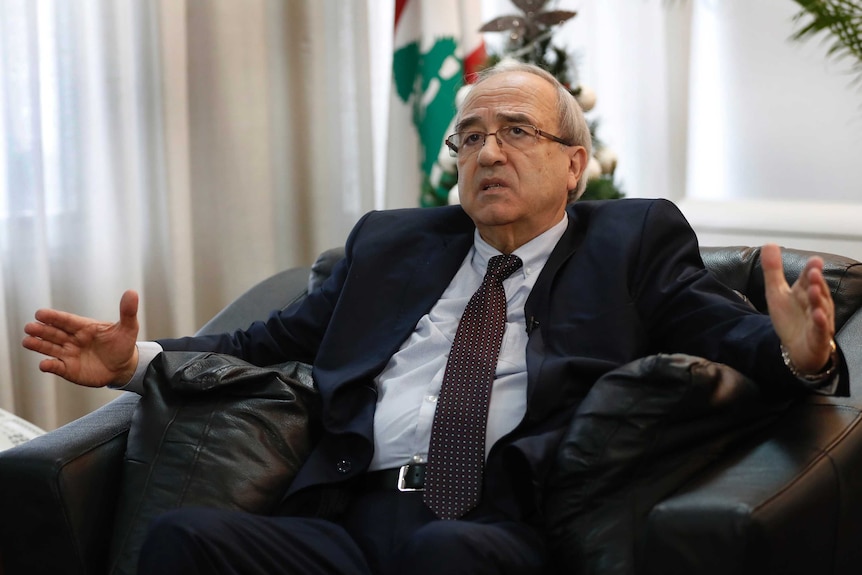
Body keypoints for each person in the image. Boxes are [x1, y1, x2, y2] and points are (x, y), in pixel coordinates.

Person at [22, 61, 839, 575]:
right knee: (187, 540)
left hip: (495, 521)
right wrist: (133, 361)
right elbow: (263, 346)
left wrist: (798, 352)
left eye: (516, 131)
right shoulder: (390, 246)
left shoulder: (632, 243)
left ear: (575, 164)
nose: (488, 153)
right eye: (470, 136)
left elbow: (723, 335)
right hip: (347, 515)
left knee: (443, 553)